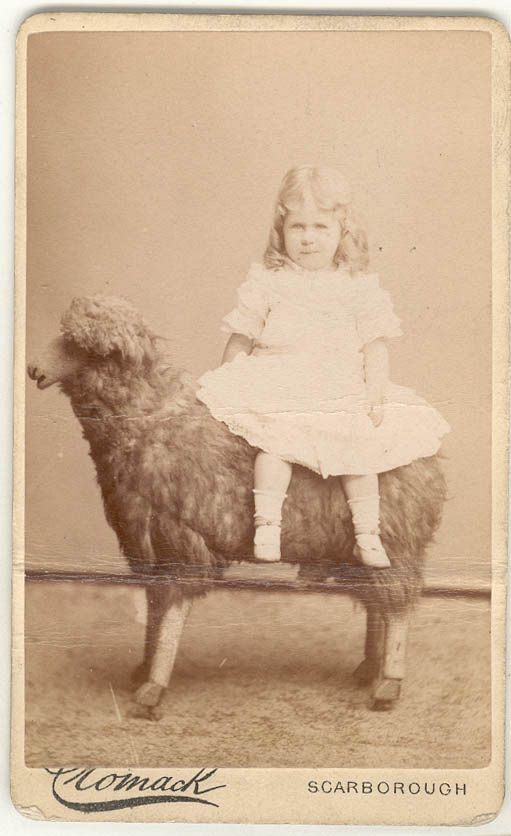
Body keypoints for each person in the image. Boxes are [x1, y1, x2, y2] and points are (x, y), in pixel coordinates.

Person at [197, 166, 451, 568]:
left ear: (342, 229)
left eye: (320, 227)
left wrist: (375, 395)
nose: (308, 238)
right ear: (281, 227)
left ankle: (367, 534)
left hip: (337, 387)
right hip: (277, 380)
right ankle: (267, 527)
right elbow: (241, 337)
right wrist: (225, 383)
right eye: (298, 226)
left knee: (359, 455)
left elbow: (375, 348)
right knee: (274, 448)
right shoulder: (268, 281)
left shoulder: (356, 287)